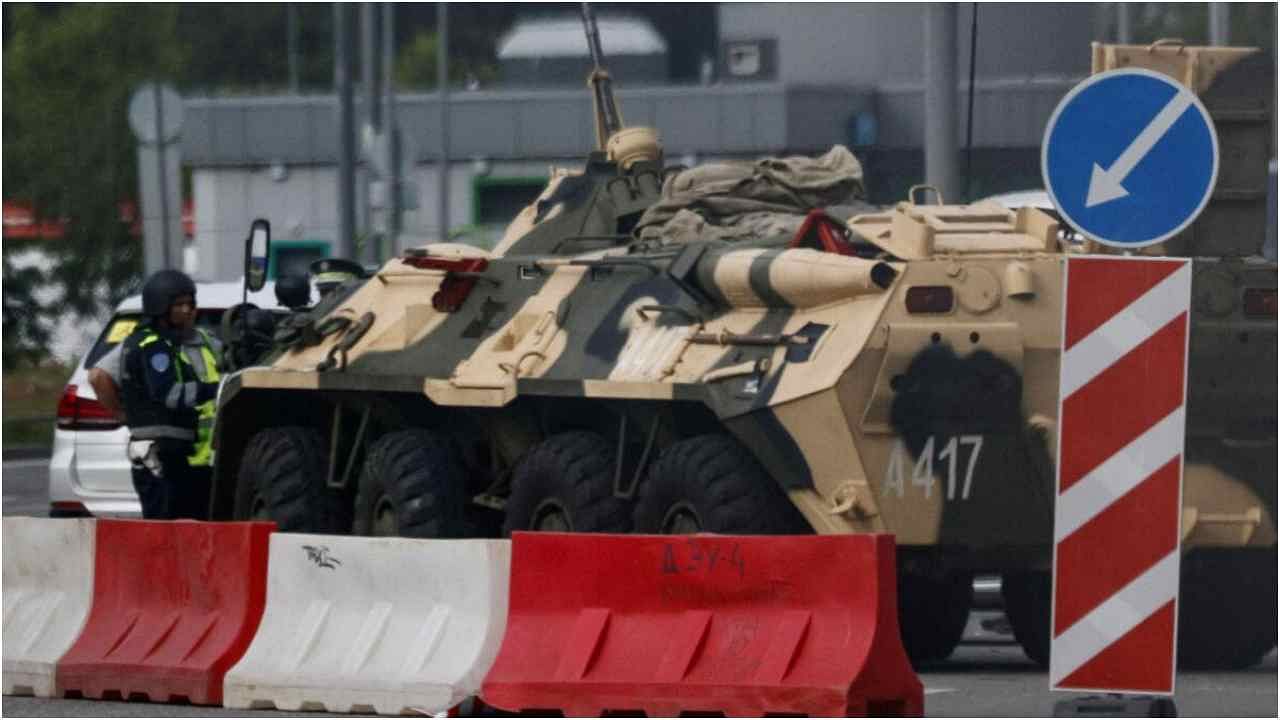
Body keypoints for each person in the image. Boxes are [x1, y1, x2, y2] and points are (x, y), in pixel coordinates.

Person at [115, 270, 223, 519]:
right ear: (160, 308)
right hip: (159, 456)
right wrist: (215, 389)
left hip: (175, 454)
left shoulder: (164, 343)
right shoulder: (154, 346)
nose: (187, 310)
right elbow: (170, 394)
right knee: (166, 530)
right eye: (178, 305)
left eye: (189, 303)